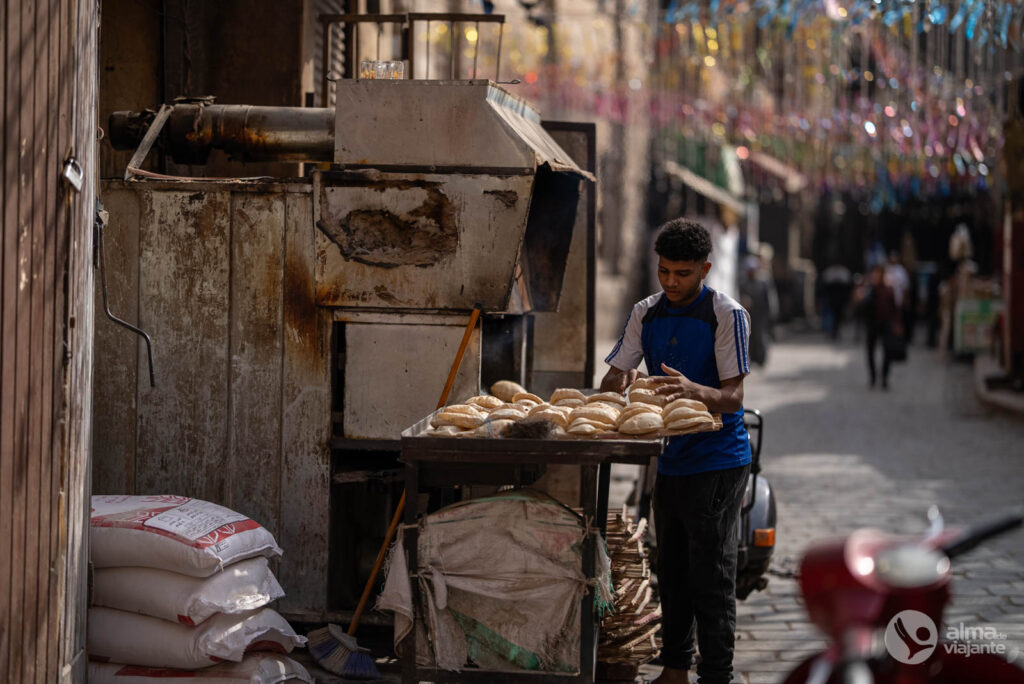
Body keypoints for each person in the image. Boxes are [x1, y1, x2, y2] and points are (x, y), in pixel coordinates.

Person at [601, 218, 752, 684]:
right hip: (668, 459)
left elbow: (733, 398)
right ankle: (674, 669)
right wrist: (614, 386)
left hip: (718, 460)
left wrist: (691, 389)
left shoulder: (726, 314)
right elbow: (616, 375)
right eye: (664, 271)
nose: (670, 282)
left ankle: (716, 674)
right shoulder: (645, 312)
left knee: (711, 573)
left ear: (705, 269)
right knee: (672, 568)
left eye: (682, 274)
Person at [854, 264, 902, 389]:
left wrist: (896, 323)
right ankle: (873, 377)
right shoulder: (868, 289)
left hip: (885, 323)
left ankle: (884, 377)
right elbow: (859, 304)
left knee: (887, 351)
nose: (877, 276)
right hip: (872, 324)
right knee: (870, 351)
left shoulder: (888, 289)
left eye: (879, 274)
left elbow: (894, 308)